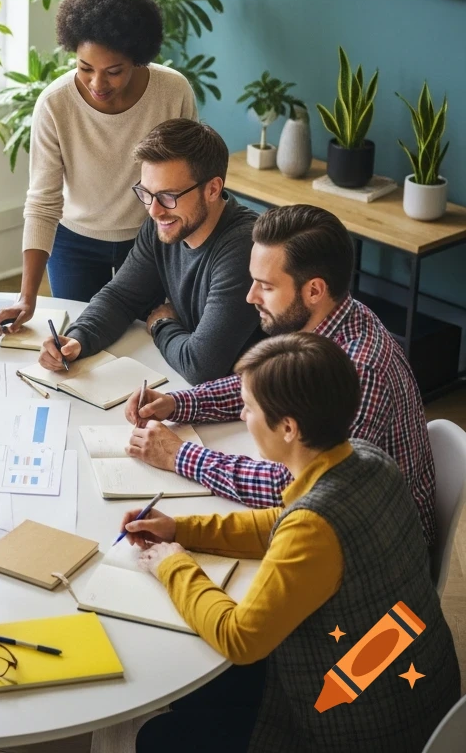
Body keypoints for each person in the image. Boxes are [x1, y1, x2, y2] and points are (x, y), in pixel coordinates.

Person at [124, 333, 458, 753]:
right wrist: (180, 529)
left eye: (248, 408)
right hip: (417, 690)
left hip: (355, 725)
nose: (243, 416)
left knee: (158, 737)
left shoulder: (313, 528)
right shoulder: (368, 456)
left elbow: (241, 639)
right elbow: (281, 523)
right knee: (198, 687)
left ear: (288, 427)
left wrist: (172, 563)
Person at [125, 204, 436, 545]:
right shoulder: (324, 319)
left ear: (314, 290)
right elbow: (266, 384)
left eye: (266, 286)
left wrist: (179, 455)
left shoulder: (359, 372)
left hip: (379, 550)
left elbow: (294, 489)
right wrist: (177, 403)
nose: (250, 296)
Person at [0, 0, 197, 330]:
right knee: (82, 338)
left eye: (113, 71)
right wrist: (26, 296)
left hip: (150, 240)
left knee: (148, 338)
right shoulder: (55, 104)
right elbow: (43, 201)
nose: (98, 83)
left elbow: (189, 181)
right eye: (85, 68)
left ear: (137, 59)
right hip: (75, 244)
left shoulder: (172, 92)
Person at [38, 119, 262, 384]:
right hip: (188, 382)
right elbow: (122, 296)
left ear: (212, 189)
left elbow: (202, 366)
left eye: (169, 196)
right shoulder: (164, 226)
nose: (154, 210)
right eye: (146, 193)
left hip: (251, 402)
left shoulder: (245, 248)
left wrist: (161, 325)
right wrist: (77, 338)